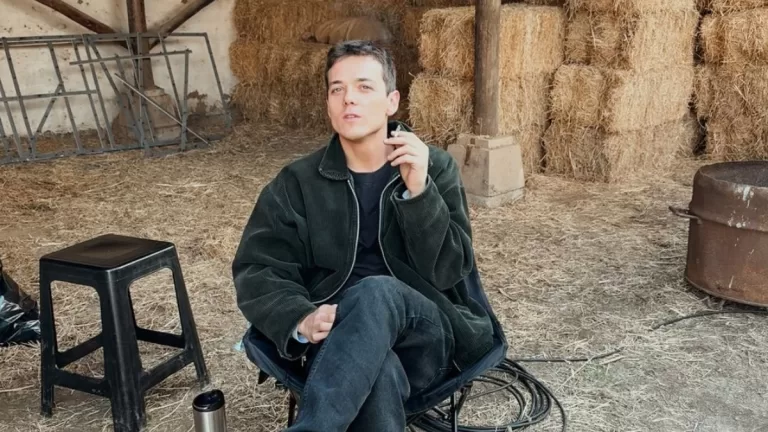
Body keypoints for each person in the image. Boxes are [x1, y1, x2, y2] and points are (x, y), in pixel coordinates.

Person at [232, 40, 494, 432]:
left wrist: (419, 193)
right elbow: (258, 269)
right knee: (377, 370)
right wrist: (300, 317)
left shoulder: (434, 167)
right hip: (336, 345)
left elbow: (450, 271)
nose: (348, 99)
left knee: (376, 291)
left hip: (423, 338)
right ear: (327, 103)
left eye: (363, 87)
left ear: (392, 101)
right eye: (336, 89)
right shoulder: (297, 183)